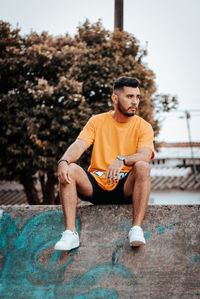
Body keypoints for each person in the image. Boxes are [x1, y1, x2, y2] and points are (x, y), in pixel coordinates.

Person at [55, 76, 154, 251]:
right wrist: (64, 161)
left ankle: (136, 229)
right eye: (130, 96)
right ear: (115, 99)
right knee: (69, 168)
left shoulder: (143, 126)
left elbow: (145, 155)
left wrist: (122, 159)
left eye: (137, 97)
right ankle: (70, 234)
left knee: (142, 166)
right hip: (95, 186)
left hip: (125, 188)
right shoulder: (97, 121)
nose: (135, 102)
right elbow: (79, 144)